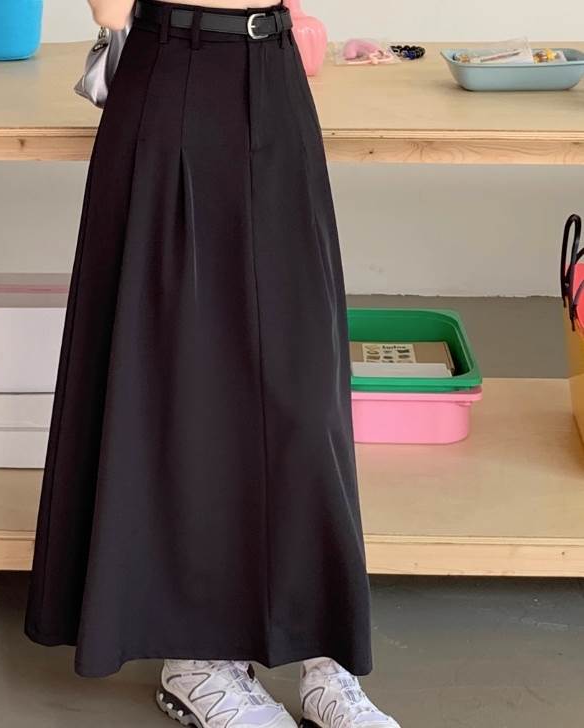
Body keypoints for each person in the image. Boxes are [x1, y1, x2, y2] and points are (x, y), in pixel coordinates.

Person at [24, 1, 401, 727]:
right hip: (176, 72)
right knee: (183, 377)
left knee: (306, 387)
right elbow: (109, 7)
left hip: (275, 73)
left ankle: (326, 659)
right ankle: (198, 660)